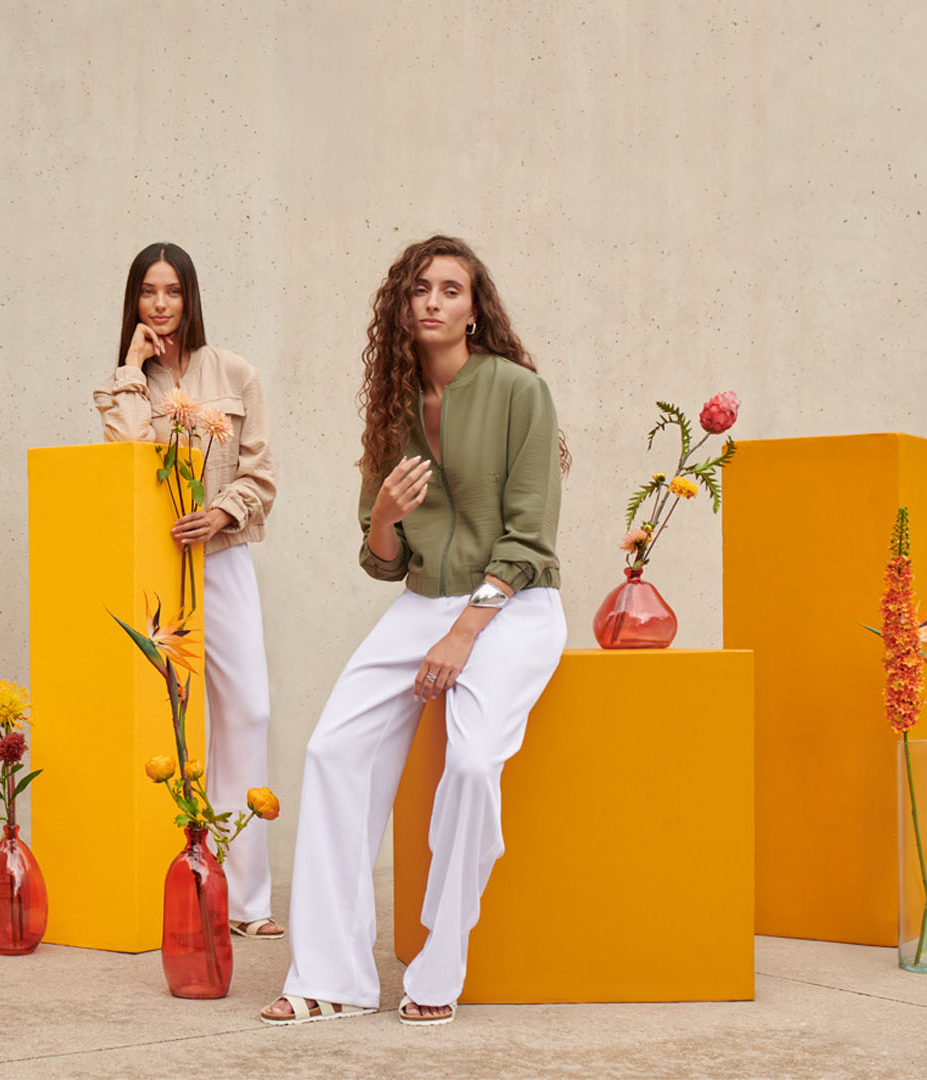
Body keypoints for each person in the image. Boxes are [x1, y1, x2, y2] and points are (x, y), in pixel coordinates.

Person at [262, 235, 567, 1028]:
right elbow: (383, 561)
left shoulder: (518, 391)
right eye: (418, 290)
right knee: (332, 751)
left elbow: (531, 541)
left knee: (469, 764)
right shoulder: (395, 408)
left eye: (451, 290)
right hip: (424, 600)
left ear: (475, 310)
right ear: (402, 308)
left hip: (514, 604)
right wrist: (389, 520)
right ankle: (330, 977)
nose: (432, 301)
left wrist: (465, 634)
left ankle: (443, 954)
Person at [90, 242, 283, 941]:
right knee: (168, 722)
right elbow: (129, 461)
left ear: (191, 296)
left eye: (172, 291)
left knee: (246, 712)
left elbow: (260, 474)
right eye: (148, 292)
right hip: (156, 567)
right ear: (135, 302)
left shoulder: (234, 374)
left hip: (222, 559)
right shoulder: (125, 383)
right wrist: (133, 375)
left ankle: (247, 900)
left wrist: (223, 508)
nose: (162, 304)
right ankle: (180, 884)